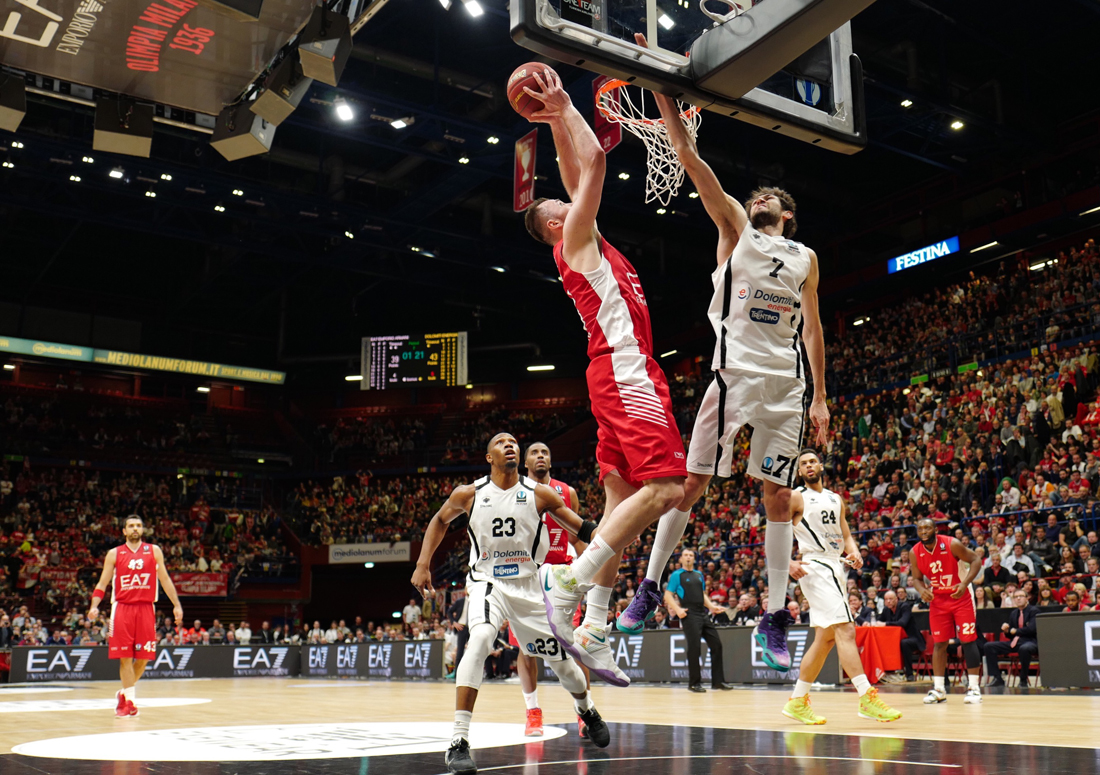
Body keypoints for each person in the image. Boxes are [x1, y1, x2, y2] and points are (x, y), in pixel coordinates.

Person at [612, 39, 831, 676]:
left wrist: (820, 394)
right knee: (692, 484)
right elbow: (687, 154)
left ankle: (773, 613)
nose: (758, 197)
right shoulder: (734, 227)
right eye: (755, 194)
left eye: (770, 197)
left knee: (777, 499)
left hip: (785, 387)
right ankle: (650, 585)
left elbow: (813, 329)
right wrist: (658, 89)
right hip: (731, 378)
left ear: (787, 215)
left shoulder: (806, 259)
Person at [522, 67, 687, 683]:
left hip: (610, 371)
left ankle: (593, 627)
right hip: (626, 369)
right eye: (558, 208)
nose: (568, 201)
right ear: (556, 227)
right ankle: (569, 583)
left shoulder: (582, 240)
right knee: (669, 488)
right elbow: (592, 169)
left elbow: (578, 168)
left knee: (621, 499)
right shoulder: (578, 238)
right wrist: (564, 107)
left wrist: (558, 119)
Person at [411, 433, 610, 775]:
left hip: (531, 587)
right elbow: (440, 520)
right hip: (488, 583)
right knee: (480, 642)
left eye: (514, 442)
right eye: (501, 442)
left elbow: (580, 527)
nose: (509, 445)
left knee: (563, 666)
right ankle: (458, 741)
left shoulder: (540, 495)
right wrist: (423, 563)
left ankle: (586, 708)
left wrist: (615, 532)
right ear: (489, 457)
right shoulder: (469, 494)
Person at [782, 450, 901, 724]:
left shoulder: (836, 499)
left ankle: (797, 701)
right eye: (803, 464)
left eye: (813, 461)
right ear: (800, 472)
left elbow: (845, 533)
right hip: (816, 566)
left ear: (821, 466)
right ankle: (866, 696)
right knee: (846, 629)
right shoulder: (797, 496)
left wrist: (855, 552)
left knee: (824, 640)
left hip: (835, 566)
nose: (809, 466)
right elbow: (776, 529)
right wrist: (787, 561)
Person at [511, 442, 591, 738]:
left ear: (551, 460)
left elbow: (577, 534)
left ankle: (584, 712)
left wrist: (594, 567)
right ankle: (533, 713)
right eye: (534, 452)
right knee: (525, 648)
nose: (540, 455)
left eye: (545, 451)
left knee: (575, 647)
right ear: (525, 462)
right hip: (525, 576)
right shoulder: (513, 491)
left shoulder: (567, 493)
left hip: (561, 575)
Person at [87, 514, 183, 718]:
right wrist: (94, 605)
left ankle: (124, 694)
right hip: (122, 608)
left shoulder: (154, 551)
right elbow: (102, 583)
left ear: (143, 529)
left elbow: (165, 579)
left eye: (138, 525)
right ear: (124, 531)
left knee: (143, 659)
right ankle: (128, 703)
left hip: (146, 608)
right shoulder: (114, 554)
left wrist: (176, 604)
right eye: (130, 526)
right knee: (125, 658)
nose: (135, 529)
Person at [910, 517, 983, 705]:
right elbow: (917, 578)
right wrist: (921, 590)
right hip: (938, 600)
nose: (924, 531)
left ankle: (974, 688)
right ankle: (939, 689)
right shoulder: (914, 552)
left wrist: (965, 583)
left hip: (961, 596)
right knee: (939, 643)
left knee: (967, 640)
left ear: (935, 529)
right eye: (920, 529)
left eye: (927, 528)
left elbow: (976, 560)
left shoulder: (952, 544)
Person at [663, 548, 733, 693]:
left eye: (691, 555)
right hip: (689, 614)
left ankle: (718, 682)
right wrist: (678, 610)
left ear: (694, 559)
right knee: (694, 648)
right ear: (681, 559)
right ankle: (694, 683)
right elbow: (668, 595)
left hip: (703, 613)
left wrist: (712, 607)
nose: (688, 557)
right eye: (685, 555)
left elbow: (702, 594)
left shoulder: (699, 574)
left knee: (717, 645)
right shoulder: (677, 575)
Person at [985, 589, 1039, 687]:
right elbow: (1011, 634)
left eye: (1021, 596)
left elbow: (1032, 629)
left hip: (1030, 641)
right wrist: (1006, 631)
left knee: (1025, 648)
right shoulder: (1014, 613)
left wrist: (1016, 631)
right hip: (1016, 642)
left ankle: (1023, 680)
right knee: (989, 646)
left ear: (1027, 598)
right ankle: (998, 678)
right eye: (1016, 597)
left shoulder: (1033, 611)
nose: (1018, 599)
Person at [878, 590, 924, 682]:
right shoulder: (886, 610)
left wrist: (885, 624)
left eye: (891, 599)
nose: (888, 601)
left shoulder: (904, 606)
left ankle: (909, 674)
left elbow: (902, 623)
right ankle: (888, 672)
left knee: (904, 643)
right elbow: (878, 621)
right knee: (884, 642)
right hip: (894, 640)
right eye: (886, 599)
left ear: (896, 599)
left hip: (913, 639)